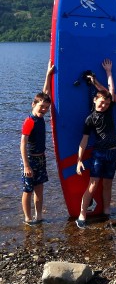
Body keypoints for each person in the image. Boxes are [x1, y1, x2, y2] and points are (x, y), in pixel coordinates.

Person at [75, 59, 116, 229]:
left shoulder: (108, 111)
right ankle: (82, 214)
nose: (104, 104)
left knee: (108, 184)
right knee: (93, 184)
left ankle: (106, 212)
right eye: (101, 102)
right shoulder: (90, 118)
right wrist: (79, 160)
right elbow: (84, 140)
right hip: (99, 154)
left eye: (107, 103)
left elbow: (109, 92)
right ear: (94, 100)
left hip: (112, 153)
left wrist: (107, 73)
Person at [20, 60, 54, 225]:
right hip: (30, 159)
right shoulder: (30, 121)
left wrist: (48, 74)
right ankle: (27, 218)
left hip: (41, 158)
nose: (44, 109)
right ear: (34, 104)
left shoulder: (41, 117)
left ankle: (39, 217)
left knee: (40, 189)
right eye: (41, 107)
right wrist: (26, 165)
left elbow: (45, 92)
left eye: (47, 108)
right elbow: (23, 143)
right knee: (28, 190)